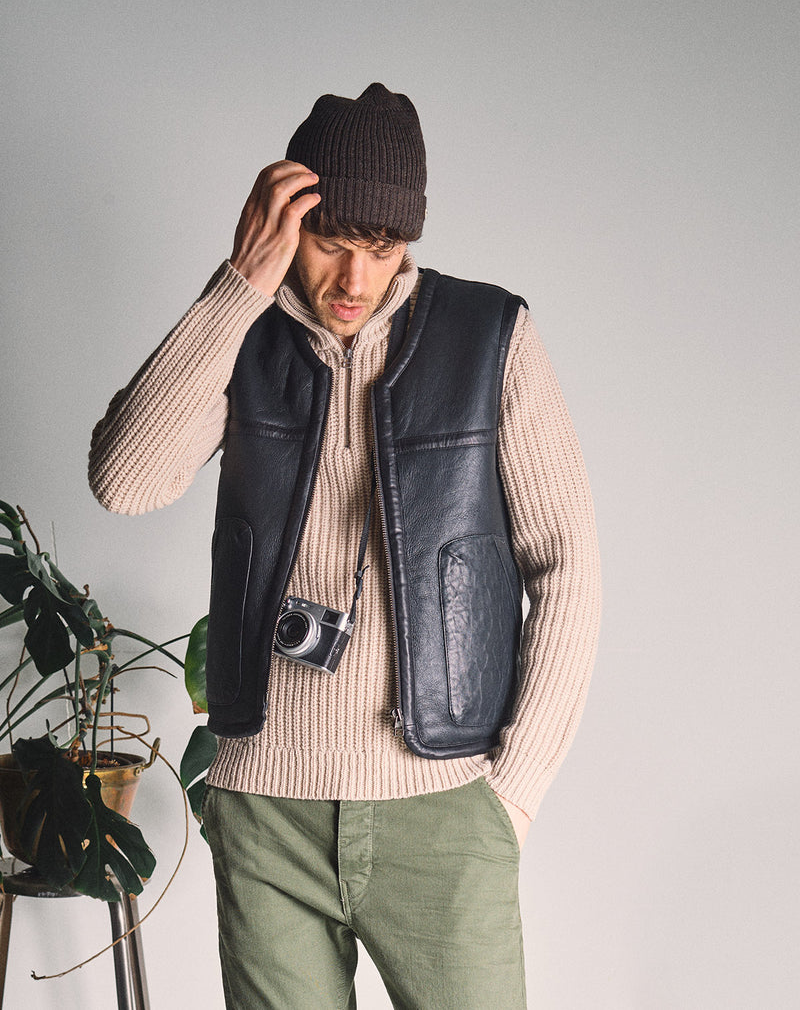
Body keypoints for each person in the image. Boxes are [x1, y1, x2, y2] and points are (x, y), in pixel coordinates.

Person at [89, 82, 601, 1010]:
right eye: (331, 242)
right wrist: (239, 284)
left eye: (382, 249)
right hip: (267, 809)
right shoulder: (242, 335)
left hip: (442, 810)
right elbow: (125, 481)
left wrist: (511, 794)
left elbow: (569, 564)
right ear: (288, 221)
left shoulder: (489, 335)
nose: (353, 281)